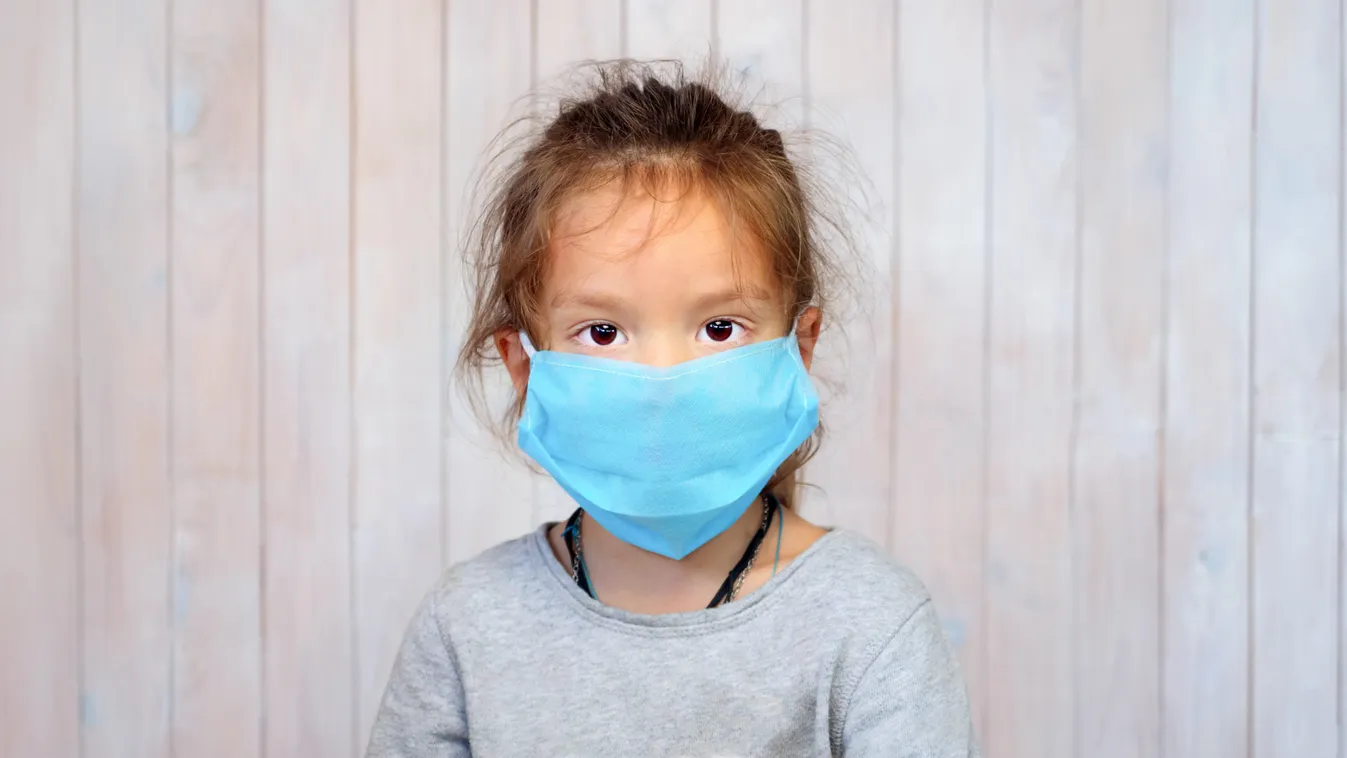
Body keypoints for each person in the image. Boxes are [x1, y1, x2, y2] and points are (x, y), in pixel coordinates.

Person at [366, 60, 978, 757]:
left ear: (798, 348)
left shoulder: (871, 624)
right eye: (603, 332)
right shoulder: (464, 628)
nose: (662, 380)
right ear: (521, 366)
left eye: (720, 328)